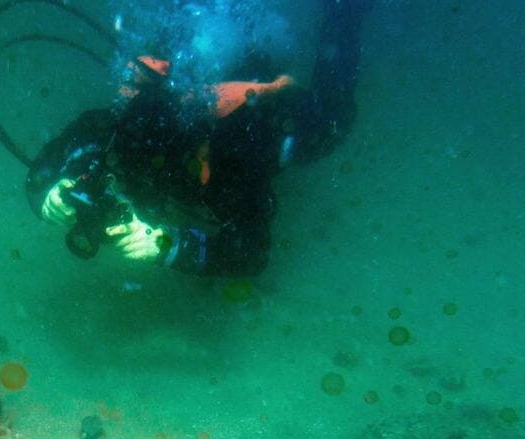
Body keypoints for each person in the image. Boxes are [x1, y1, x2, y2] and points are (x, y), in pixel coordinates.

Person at [26, 0, 372, 277]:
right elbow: (46, 166)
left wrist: (169, 247)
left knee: (331, 121)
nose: (139, 132)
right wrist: (50, 194)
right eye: (132, 105)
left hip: (268, 123)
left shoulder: (232, 153)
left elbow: (251, 254)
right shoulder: (117, 122)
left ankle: (345, 12)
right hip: (207, 78)